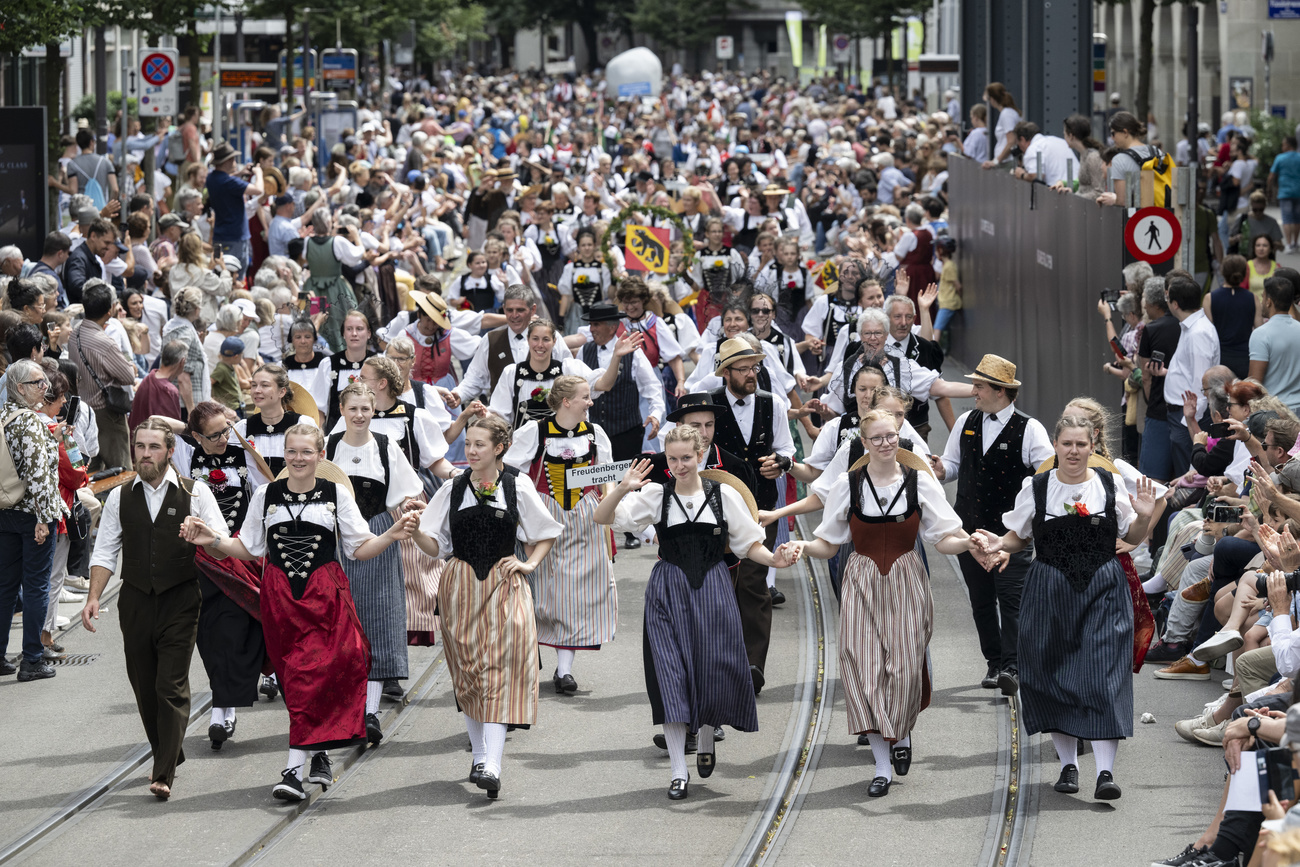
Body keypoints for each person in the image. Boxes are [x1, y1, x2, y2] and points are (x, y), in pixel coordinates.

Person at [177, 424, 418, 801]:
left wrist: (391, 535)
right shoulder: (265, 494)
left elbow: (358, 547)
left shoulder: (335, 494)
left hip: (324, 596)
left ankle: (292, 771)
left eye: (307, 452)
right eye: (292, 452)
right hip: (281, 598)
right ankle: (318, 752)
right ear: (285, 455)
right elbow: (251, 548)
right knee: (295, 678)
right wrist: (214, 540)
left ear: (321, 456)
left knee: (318, 672)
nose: (299, 458)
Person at [595, 426, 798, 800]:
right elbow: (603, 518)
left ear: (701, 454)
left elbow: (749, 543)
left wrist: (775, 560)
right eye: (672, 459)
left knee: (711, 670)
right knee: (669, 679)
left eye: (686, 457)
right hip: (667, 591)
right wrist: (623, 487)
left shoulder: (725, 497)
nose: (679, 465)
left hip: (714, 589)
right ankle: (677, 771)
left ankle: (706, 735)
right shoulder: (656, 494)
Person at [787, 409, 980, 797]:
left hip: (907, 578)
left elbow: (944, 538)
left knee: (906, 667)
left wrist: (971, 544)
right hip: (860, 579)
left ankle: (902, 731)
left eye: (891, 436)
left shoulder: (919, 483)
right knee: (864, 667)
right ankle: (880, 764)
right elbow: (829, 543)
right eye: (877, 438)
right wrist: (802, 546)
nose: (886, 443)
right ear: (864, 443)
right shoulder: (848, 484)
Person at [974, 414, 1158, 802]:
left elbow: (1133, 537)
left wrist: (1143, 515)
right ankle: (1068, 765)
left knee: (1106, 674)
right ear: (1056, 447)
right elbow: (1017, 536)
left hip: (1104, 587)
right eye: (1067, 444)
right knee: (1052, 674)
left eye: (1081, 444)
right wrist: (996, 545)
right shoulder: (1037, 487)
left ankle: (1105, 772)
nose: (1074, 451)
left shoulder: (1109, 485)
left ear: (1093, 447)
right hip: (1050, 588)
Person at [411, 414, 562, 800]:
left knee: (500, 670)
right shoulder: (452, 489)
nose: (471, 451)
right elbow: (436, 546)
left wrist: (528, 563)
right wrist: (416, 536)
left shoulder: (516, 485)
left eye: (480, 444)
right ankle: (479, 756)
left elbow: (545, 534)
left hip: (505, 583)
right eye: (468, 443)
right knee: (468, 671)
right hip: (459, 585)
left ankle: (492, 763)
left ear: (499, 448)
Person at [79, 419, 229, 798]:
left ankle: (162, 772)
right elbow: (105, 549)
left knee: (170, 685)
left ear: (169, 451)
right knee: (145, 687)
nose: (145, 454)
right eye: (140, 447)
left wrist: (204, 537)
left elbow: (221, 543)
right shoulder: (119, 496)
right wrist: (94, 595)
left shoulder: (197, 495)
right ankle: (170, 750)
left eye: (154, 447)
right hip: (135, 600)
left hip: (181, 597)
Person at [930, 354, 1054, 694]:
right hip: (968, 528)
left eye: (979, 386)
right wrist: (940, 471)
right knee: (981, 600)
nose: (973, 391)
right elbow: (953, 465)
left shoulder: (1030, 429)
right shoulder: (966, 422)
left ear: (1000, 391)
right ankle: (994, 662)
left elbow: (1048, 474)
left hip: (1010, 534)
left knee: (1012, 598)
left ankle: (1013, 666)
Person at [503, 375, 620, 692]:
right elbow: (511, 472)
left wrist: (607, 513)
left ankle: (564, 670)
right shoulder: (535, 432)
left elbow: (606, 474)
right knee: (545, 594)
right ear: (566, 401)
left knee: (576, 595)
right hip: (544, 516)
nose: (591, 402)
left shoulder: (595, 434)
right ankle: (526, 662)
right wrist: (525, 512)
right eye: (585, 397)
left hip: (585, 515)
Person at [168, 401, 272, 750]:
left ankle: (236, 700)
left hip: (242, 553)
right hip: (205, 559)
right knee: (213, 637)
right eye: (213, 435)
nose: (222, 439)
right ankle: (223, 707)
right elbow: (154, 421)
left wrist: (239, 434)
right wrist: (188, 430)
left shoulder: (244, 455)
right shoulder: (186, 458)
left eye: (226, 431)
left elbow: (269, 489)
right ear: (196, 436)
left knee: (246, 626)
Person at [325, 382, 424, 744]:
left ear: (373, 410)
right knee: (341, 618)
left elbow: (408, 490)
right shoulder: (329, 447)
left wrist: (414, 508)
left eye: (365, 409)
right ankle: (345, 708)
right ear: (342, 409)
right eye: (353, 409)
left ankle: (370, 710)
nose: (359, 415)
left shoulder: (385, 446)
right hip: (337, 538)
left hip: (378, 531)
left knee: (379, 616)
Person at [705, 337, 795, 693]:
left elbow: (786, 447)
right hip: (715, 510)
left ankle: (753, 665)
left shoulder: (771, 403)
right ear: (726, 373)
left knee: (755, 584)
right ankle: (724, 664)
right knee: (722, 585)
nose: (751, 374)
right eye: (743, 369)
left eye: (754, 367)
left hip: (761, 507)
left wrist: (781, 463)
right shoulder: (708, 405)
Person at [0, 360, 67, 682]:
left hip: (5, 511)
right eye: (39, 383)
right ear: (20, 388)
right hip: (33, 515)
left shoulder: (3, 417)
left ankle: (0, 656)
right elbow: (39, 475)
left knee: (5, 587)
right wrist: (43, 517)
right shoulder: (29, 423)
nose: (46, 388)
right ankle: (32, 659)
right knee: (38, 584)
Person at [70, 280, 136, 470]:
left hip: (82, 410)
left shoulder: (75, 334)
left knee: (92, 469)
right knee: (121, 470)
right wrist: (129, 365)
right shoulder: (105, 343)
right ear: (109, 310)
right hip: (106, 413)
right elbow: (128, 377)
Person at [1162, 276, 1221, 478]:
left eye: (1167, 297)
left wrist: (1189, 422)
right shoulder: (1192, 327)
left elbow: (1201, 384)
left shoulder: (1198, 333)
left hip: (1188, 416)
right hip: (1183, 414)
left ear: (1175, 304)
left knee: (1188, 479)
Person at [235, 363, 319, 476]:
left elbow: (317, 464)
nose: (257, 390)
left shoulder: (303, 424)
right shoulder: (242, 428)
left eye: (265, 385)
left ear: (282, 391)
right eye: (254, 385)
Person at [1136, 280, 1182, 482]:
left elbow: (1146, 377)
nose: (1143, 304)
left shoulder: (1151, 329)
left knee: (1153, 481)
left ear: (1154, 303)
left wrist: (1150, 400)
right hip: (1186, 410)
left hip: (1158, 410)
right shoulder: (1187, 327)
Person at [206, 142, 265, 277]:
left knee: (219, 272)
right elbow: (258, 190)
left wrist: (240, 173)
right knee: (235, 276)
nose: (234, 161)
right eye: (232, 159)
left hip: (220, 235)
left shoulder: (211, 178)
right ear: (227, 161)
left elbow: (224, 181)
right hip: (235, 237)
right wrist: (259, 173)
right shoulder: (229, 182)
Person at [1203, 255, 1260, 379]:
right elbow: (1259, 329)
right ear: (1244, 273)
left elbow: (1208, 332)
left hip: (1220, 357)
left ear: (1222, 272)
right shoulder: (1253, 298)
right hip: (1245, 357)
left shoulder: (1210, 298)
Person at [1249, 277, 1300, 415]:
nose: (1261, 302)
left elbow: (1254, 384)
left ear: (1269, 302)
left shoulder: (1261, 334)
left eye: (1263, 297)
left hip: (1275, 413)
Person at [161, 286, 212, 415]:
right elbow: (182, 376)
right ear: (196, 309)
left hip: (178, 401)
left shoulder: (174, 327)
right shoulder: (184, 333)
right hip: (183, 405)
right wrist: (191, 411)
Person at [129, 340, 186, 433]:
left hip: (137, 441)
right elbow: (173, 429)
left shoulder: (148, 379)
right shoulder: (169, 390)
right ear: (182, 362)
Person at [282, 319, 332, 420]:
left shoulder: (325, 363)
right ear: (292, 340)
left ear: (314, 339)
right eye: (298, 337)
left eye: (307, 337)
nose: (303, 341)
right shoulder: (284, 365)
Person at [1269, 135, 1300, 253]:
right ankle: (1295, 242)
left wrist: (1269, 189)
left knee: (1287, 218)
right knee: (1297, 219)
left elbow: (1271, 176)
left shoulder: (1280, 158)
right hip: (1298, 192)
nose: (1282, 146)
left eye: (1283, 144)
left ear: (1288, 145)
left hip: (1285, 192)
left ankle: (1288, 243)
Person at [981, 83, 1021, 167]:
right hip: (1005, 160)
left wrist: (995, 161)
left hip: (1006, 162)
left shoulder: (1007, 114)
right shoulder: (1008, 112)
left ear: (992, 99)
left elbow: (1011, 141)